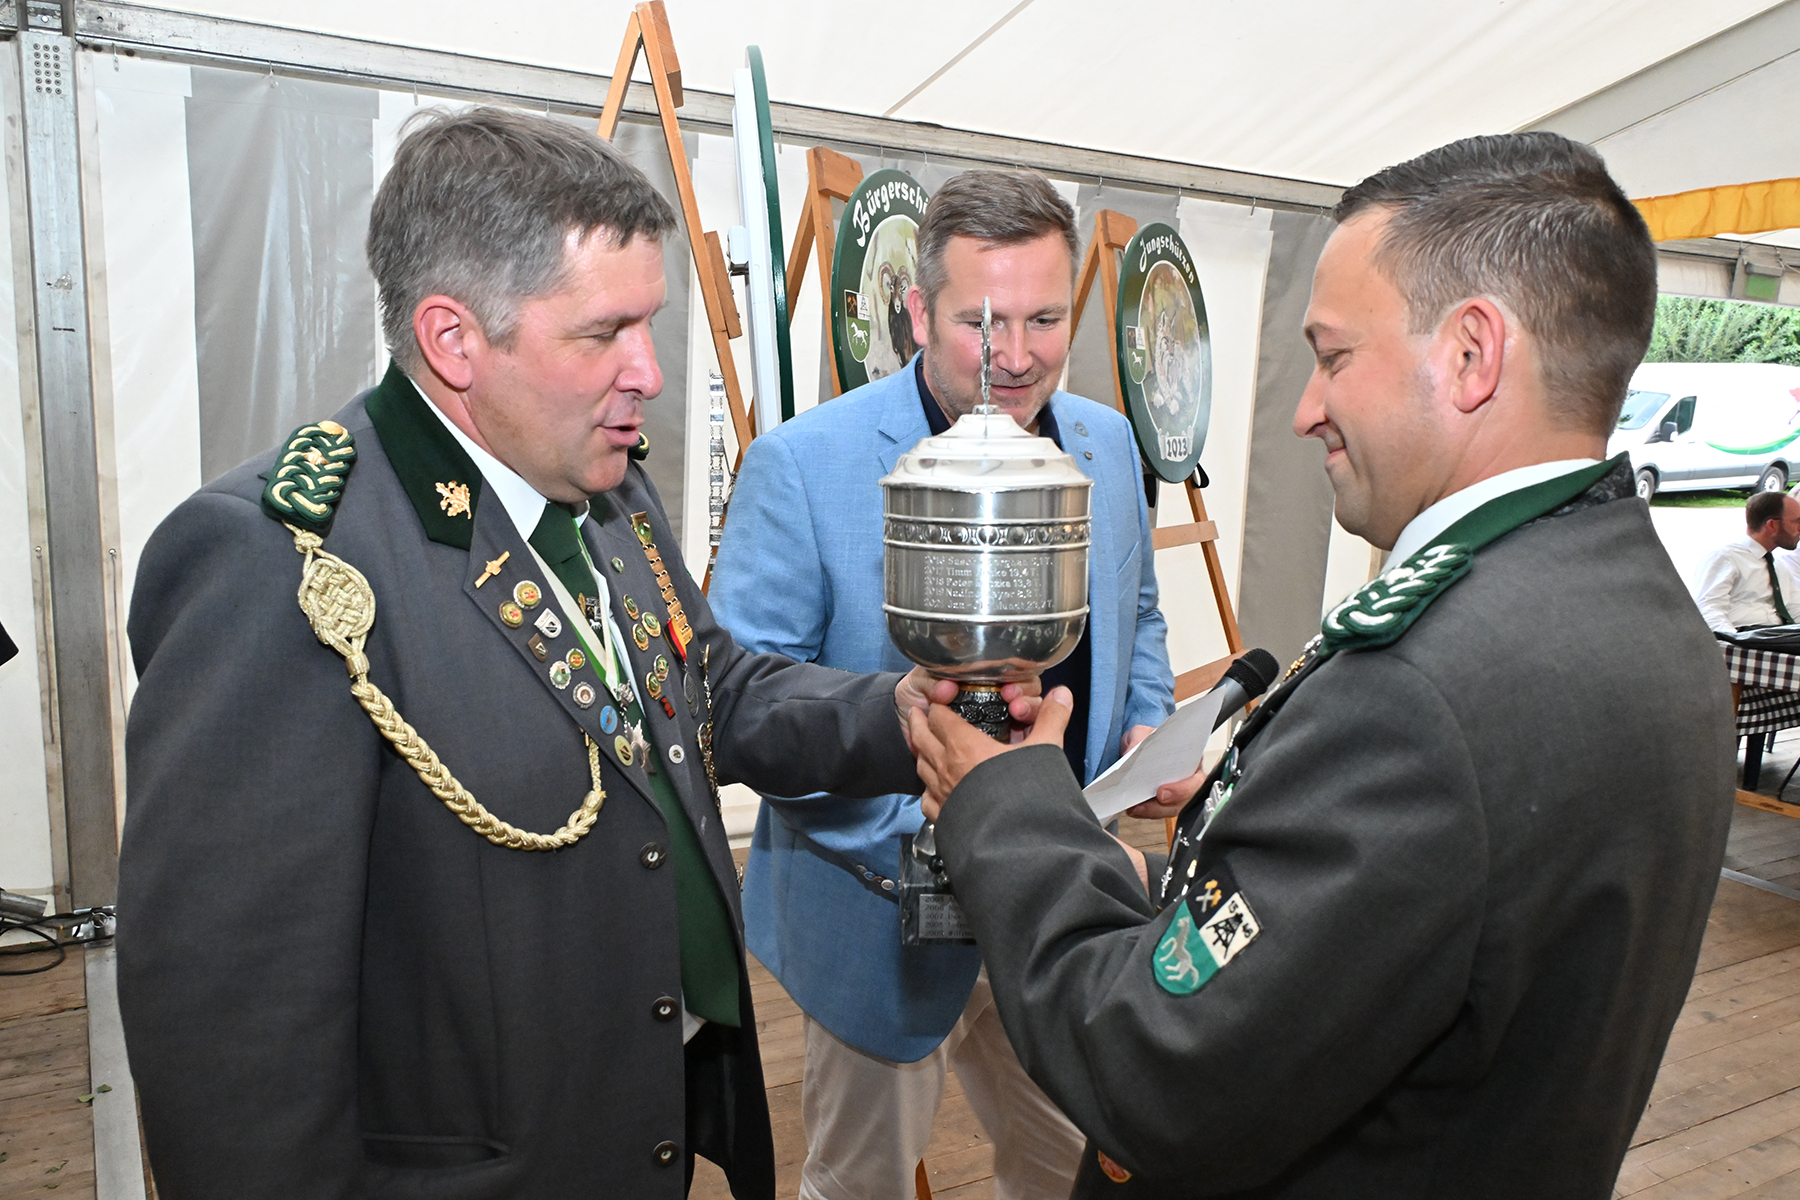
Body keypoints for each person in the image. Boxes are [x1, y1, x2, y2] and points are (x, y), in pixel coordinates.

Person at [117, 107, 949, 1200]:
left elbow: (703, 688)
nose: (649, 372)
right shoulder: (280, 562)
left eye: (650, 324)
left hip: (632, 1121)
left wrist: (907, 714)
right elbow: (231, 1030)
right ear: (454, 340)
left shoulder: (598, 481)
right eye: (605, 333)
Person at [907, 133, 1736, 1198]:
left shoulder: (1424, 693)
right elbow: (1379, 935)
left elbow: (1156, 1069)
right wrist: (1187, 867)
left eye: (1335, 357)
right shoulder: (1643, 612)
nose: (1305, 408)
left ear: (1473, 354)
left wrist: (1005, 800)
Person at [709, 170, 1175, 1199]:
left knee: (1067, 1172)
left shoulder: (1104, 442)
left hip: (1059, 902)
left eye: (1044, 319)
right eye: (980, 323)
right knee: (859, 1182)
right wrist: (950, 844)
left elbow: (1137, 609)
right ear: (918, 313)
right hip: (875, 916)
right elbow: (744, 706)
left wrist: (1146, 721)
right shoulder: (803, 464)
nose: (1016, 355)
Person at [1693, 489, 1800, 632]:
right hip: (1744, 638)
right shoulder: (1725, 557)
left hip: (1778, 637)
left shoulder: (1778, 566)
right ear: (1772, 525)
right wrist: (1736, 640)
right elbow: (1708, 609)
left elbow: (1795, 609)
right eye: (1797, 521)